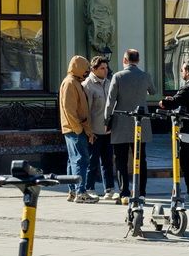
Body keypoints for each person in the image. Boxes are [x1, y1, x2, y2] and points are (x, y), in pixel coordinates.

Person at [106, 48, 156, 203]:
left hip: (121, 122)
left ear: (125, 60)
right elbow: (153, 91)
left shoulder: (118, 76)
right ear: (138, 60)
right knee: (141, 159)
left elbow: (110, 101)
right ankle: (141, 193)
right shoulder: (145, 76)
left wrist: (107, 120)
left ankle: (124, 193)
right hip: (141, 121)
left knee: (120, 159)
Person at [161, 60, 189, 201]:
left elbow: (174, 102)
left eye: (182, 70)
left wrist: (163, 102)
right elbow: (184, 100)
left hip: (187, 132)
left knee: (187, 165)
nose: (181, 73)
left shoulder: (188, 87)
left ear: (187, 72)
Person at [59, 55, 96, 203]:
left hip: (74, 128)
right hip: (74, 129)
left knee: (73, 161)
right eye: (86, 69)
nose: (87, 72)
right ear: (78, 68)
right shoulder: (70, 83)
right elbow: (69, 109)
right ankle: (80, 192)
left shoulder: (74, 82)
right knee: (81, 160)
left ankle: (73, 192)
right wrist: (79, 129)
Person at [82, 55, 115, 199]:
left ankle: (109, 189)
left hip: (108, 130)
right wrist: (88, 131)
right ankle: (90, 188)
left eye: (106, 68)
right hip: (94, 130)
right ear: (94, 69)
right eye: (102, 68)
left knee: (108, 161)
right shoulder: (87, 85)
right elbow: (86, 111)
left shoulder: (109, 83)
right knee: (92, 161)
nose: (105, 70)